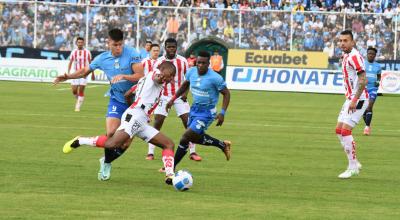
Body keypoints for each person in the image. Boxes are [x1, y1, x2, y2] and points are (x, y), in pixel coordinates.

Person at [62, 62, 177, 185]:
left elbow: (128, 94)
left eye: (172, 76)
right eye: (169, 75)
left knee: (168, 144)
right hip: (136, 116)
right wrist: (135, 112)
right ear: (162, 70)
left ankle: (170, 175)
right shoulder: (155, 75)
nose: (170, 78)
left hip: (140, 119)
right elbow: (156, 77)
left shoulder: (147, 79)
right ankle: (80, 140)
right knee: (113, 144)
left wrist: (133, 108)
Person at [53, 28, 144, 181]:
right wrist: (68, 76)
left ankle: (106, 161)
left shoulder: (132, 53)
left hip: (135, 103)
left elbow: (140, 75)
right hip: (117, 100)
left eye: (121, 45)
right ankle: (107, 163)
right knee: (111, 134)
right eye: (115, 45)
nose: (118, 48)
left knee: (125, 143)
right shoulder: (102, 58)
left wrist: (123, 76)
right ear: (108, 43)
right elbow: (84, 71)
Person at [167, 50, 231, 170]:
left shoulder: (215, 78)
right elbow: (185, 85)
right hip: (194, 109)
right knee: (192, 138)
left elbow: (226, 94)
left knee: (185, 137)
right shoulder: (191, 72)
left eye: (203, 63)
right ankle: (222, 145)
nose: (200, 65)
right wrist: (173, 99)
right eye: (198, 63)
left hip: (207, 113)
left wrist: (222, 113)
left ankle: (171, 168)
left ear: (208, 64)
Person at [148, 38, 202, 163]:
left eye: (173, 47)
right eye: (169, 47)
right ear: (165, 47)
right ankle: (150, 152)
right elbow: (153, 79)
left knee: (188, 123)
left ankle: (192, 152)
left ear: (176, 47)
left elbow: (189, 79)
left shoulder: (182, 61)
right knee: (158, 122)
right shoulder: (159, 62)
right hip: (163, 96)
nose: (171, 49)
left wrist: (185, 93)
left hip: (179, 96)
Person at [335, 30, 368, 179]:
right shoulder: (347, 55)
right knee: (338, 130)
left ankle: (353, 167)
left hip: (358, 99)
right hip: (350, 98)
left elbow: (363, 80)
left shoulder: (354, 56)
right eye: (340, 41)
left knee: (345, 132)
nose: (342, 43)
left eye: (345, 41)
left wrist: (354, 100)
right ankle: (355, 162)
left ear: (352, 42)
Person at [67, 37, 93, 112]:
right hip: (75, 73)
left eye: (81, 42)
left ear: (83, 43)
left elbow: (91, 63)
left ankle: (77, 106)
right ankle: (79, 99)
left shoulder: (87, 52)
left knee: (81, 90)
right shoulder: (74, 52)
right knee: (74, 91)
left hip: (84, 73)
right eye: (79, 42)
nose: (80, 44)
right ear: (76, 43)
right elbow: (70, 62)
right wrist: (68, 73)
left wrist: (92, 73)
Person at [363, 47, 382, 135]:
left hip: (372, 89)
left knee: (370, 106)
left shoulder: (378, 66)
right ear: (367, 54)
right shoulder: (362, 63)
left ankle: (366, 128)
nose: (371, 55)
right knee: (363, 110)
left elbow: (379, 76)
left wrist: (378, 82)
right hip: (362, 89)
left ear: (375, 55)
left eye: (372, 54)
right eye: (369, 53)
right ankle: (368, 124)